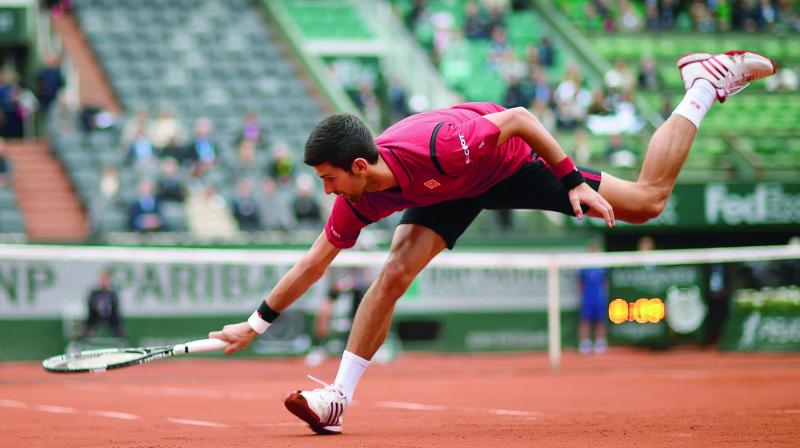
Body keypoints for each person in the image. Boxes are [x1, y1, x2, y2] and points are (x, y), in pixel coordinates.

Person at [209, 50, 776, 435]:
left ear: (358, 166)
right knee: (393, 275)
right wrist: (254, 325)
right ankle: (337, 397)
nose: (325, 190)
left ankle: (702, 83)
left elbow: (522, 118)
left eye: (328, 178)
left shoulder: (440, 143)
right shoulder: (358, 198)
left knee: (649, 201)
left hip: (506, 165)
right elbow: (315, 261)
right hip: (445, 195)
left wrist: (572, 179)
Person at [304, 267, 372, 367]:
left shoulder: (363, 252)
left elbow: (369, 278)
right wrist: (340, 284)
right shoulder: (336, 252)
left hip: (359, 291)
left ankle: (367, 350)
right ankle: (318, 347)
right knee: (324, 312)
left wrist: (352, 282)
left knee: (366, 306)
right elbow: (327, 273)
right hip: (335, 289)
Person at [578, 244, 608, 354]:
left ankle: (600, 342)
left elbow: (604, 281)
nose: (592, 252)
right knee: (585, 320)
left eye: (594, 250)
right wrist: (582, 294)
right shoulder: (584, 266)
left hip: (599, 297)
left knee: (600, 321)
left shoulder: (601, 266)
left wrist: (602, 294)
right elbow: (579, 282)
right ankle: (584, 343)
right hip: (587, 297)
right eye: (590, 250)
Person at [79, 270, 125, 338]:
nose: (104, 282)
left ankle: (121, 342)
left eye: (106, 280)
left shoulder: (112, 294)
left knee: (120, 328)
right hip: (95, 316)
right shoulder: (94, 293)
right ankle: (83, 343)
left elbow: (115, 309)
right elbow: (90, 307)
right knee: (85, 328)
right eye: (102, 280)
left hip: (110, 317)